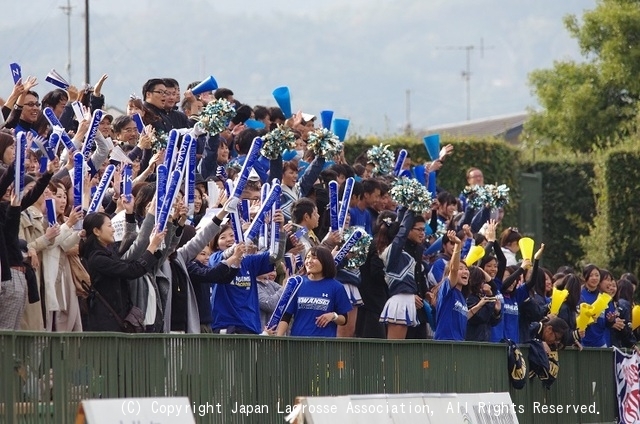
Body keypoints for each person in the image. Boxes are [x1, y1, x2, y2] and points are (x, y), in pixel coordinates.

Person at [80, 198, 166, 332]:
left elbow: (129, 243)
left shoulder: (107, 253)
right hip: (107, 326)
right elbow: (132, 270)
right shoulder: (97, 259)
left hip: (115, 321)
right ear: (97, 231)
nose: (113, 230)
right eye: (109, 226)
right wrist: (152, 246)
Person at [276, 246, 351, 337]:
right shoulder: (297, 284)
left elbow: (344, 319)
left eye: (314, 258)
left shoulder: (336, 287)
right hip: (297, 343)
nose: (309, 261)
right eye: (307, 257)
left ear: (325, 262)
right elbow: (286, 316)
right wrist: (278, 339)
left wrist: (333, 316)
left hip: (324, 345)